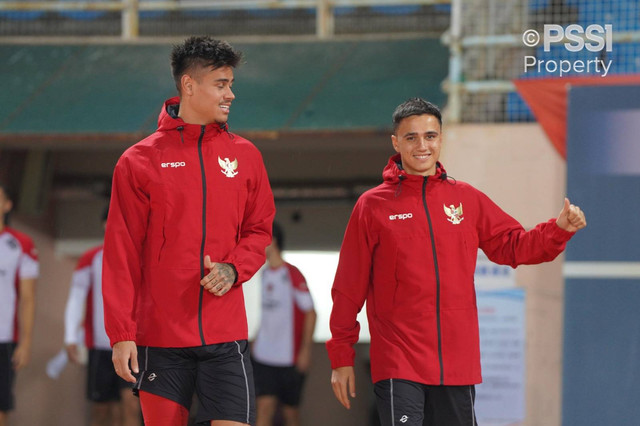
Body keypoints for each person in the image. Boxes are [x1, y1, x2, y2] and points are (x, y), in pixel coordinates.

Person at [326, 98, 587, 426]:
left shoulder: (466, 199)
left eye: (430, 136)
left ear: (441, 138)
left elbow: (514, 247)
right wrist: (341, 356)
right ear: (396, 142)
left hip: (456, 362)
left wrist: (558, 229)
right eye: (411, 137)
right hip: (398, 359)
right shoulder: (372, 206)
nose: (422, 145)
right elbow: (349, 287)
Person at [102, 36, 275, 426]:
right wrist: (121, 333)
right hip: (159, 339)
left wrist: (233, 269)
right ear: (189, 85)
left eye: (231, 83)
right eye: (221, 84)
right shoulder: (138, 161)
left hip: (224, 334)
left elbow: (259, 230)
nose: (230, 93)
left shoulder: (245, 156)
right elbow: (121, 254)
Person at [64, 206, 141, 426]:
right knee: (101, 409)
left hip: (133, 346)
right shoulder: (91, 258)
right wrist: (70, 337)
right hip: (100, 345)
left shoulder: (138, 257)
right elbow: (76, 298)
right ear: (104, 225)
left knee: (130, 405)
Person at [252, 222, 316, 426]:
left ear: (273, 241)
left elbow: (311, 313)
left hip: (289, 358)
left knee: (291, 414)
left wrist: (305, 350)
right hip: (263, 357)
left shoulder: (292, 274)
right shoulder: (260, 274)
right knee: (263, 408)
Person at [0, 182, 39, 426]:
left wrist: (25, 342)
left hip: (4, 339)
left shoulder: (21, 244)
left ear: (7, 205)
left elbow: (28, 298)